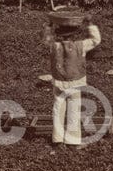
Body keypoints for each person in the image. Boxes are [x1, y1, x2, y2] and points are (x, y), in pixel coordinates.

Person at [42, 14, 102, 147]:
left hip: (59, 82)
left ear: (58, 35)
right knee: (74, 109)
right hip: (75, 82)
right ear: (75, 34)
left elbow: (46, 39)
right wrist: (90, 23)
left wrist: (49, 25)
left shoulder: (54, 46)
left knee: (58, 108)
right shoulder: (80, 46)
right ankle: (73, 140)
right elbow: (96, 39)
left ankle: (57, 138)